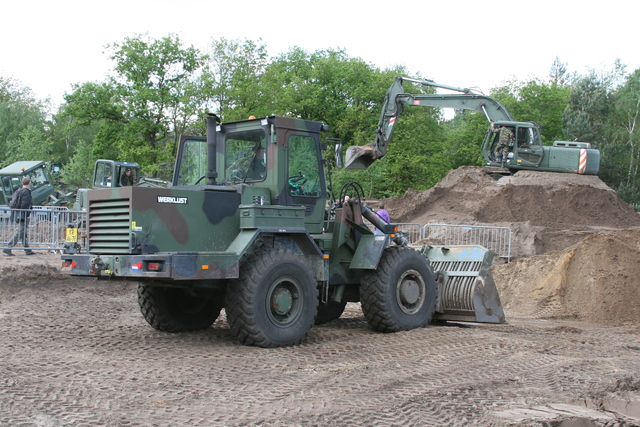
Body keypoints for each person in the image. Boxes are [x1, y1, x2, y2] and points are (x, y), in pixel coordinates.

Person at [3, 177, 36, 256]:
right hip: (22, 215)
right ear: (29, 183)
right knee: (21, 232)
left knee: (23, 232)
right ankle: (8, 247)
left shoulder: (18, 191)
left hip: (17, 214)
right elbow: (25, 204)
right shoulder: (26, 192)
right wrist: (27, 214)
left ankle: (27, 250)